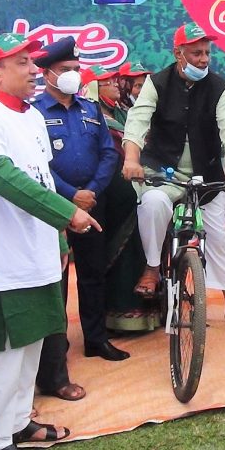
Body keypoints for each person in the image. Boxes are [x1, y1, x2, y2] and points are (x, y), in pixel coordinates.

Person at [0, 33, 98, 450]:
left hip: (37, 253)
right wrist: (66, 213)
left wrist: (58, 239)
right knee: (3, 353)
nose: (35, 69)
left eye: (33, 61)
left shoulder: (31, 115)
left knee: (32, 343)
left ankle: (18, 422)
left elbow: (42, 178)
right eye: (22, 63)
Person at [122, 22, 225, 338]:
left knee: (220, 241)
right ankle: (153, 267)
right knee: (153, 203)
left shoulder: (219, 86)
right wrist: (131, 159)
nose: (203, 59)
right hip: (164, 174)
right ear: (178, 53)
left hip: (206, 176)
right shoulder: (157, 83)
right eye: (196, 53)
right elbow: (137, 123)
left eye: (207, 53)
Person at [32, 37, 126, 364]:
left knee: (93, 273)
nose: (72, 74)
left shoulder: (90, 109)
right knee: (55, 276)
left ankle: (96, 340)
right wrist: (70, 196)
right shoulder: (34, 113)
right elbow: (36, 162)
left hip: (91, 203)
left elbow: (108, 153)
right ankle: (55, 347)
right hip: (52, 205)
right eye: (64, 69)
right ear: (47, 74)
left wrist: (91, 192)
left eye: (75, 68)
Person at [87, 65, 157, 334]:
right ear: (94, 88)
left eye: (116, 81)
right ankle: (115, 320)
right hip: (108, 198)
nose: (116, 85)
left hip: (134, 195)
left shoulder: (123, 113)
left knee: (141, 252)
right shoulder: (91, 117)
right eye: (108, 82)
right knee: (116, 260)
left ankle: (147, 316)